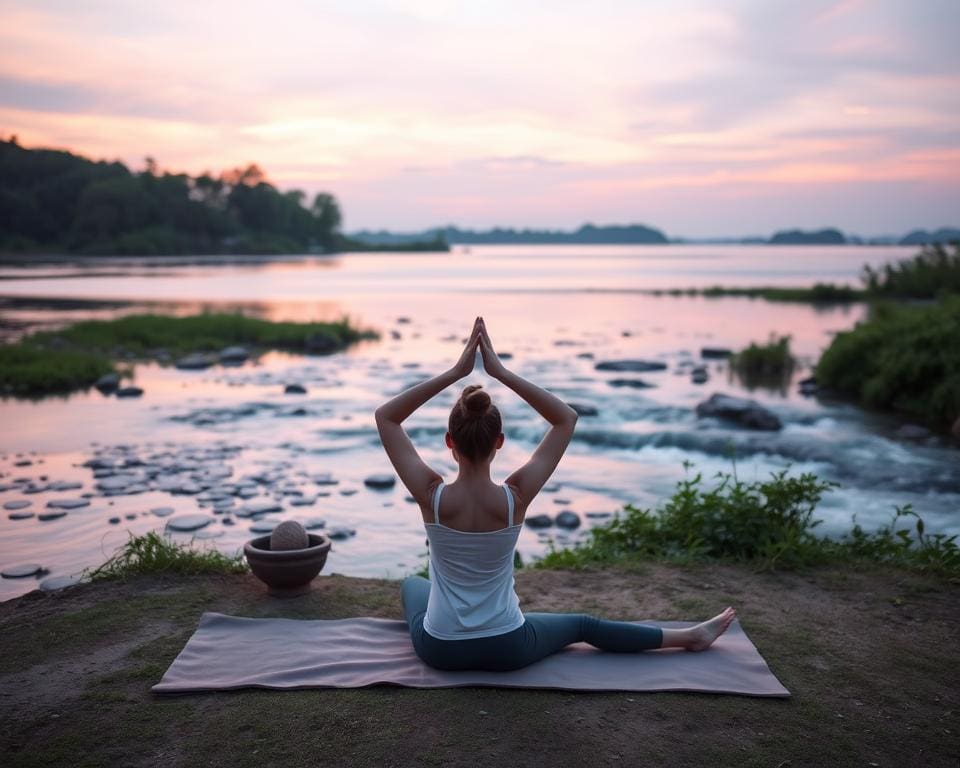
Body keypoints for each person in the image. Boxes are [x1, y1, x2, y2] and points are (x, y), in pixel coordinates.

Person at [375, 316, 736, 672]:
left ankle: (690, 636)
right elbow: (565, 419)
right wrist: (500, 372)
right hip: (508, 646)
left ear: (449, 442)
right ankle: (689, 637)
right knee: (583, 626)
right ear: (499, 443)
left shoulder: (431, 497)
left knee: (413, 584)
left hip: (442, 650)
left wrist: (456, 372)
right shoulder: (515, 497)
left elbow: (387, 418)